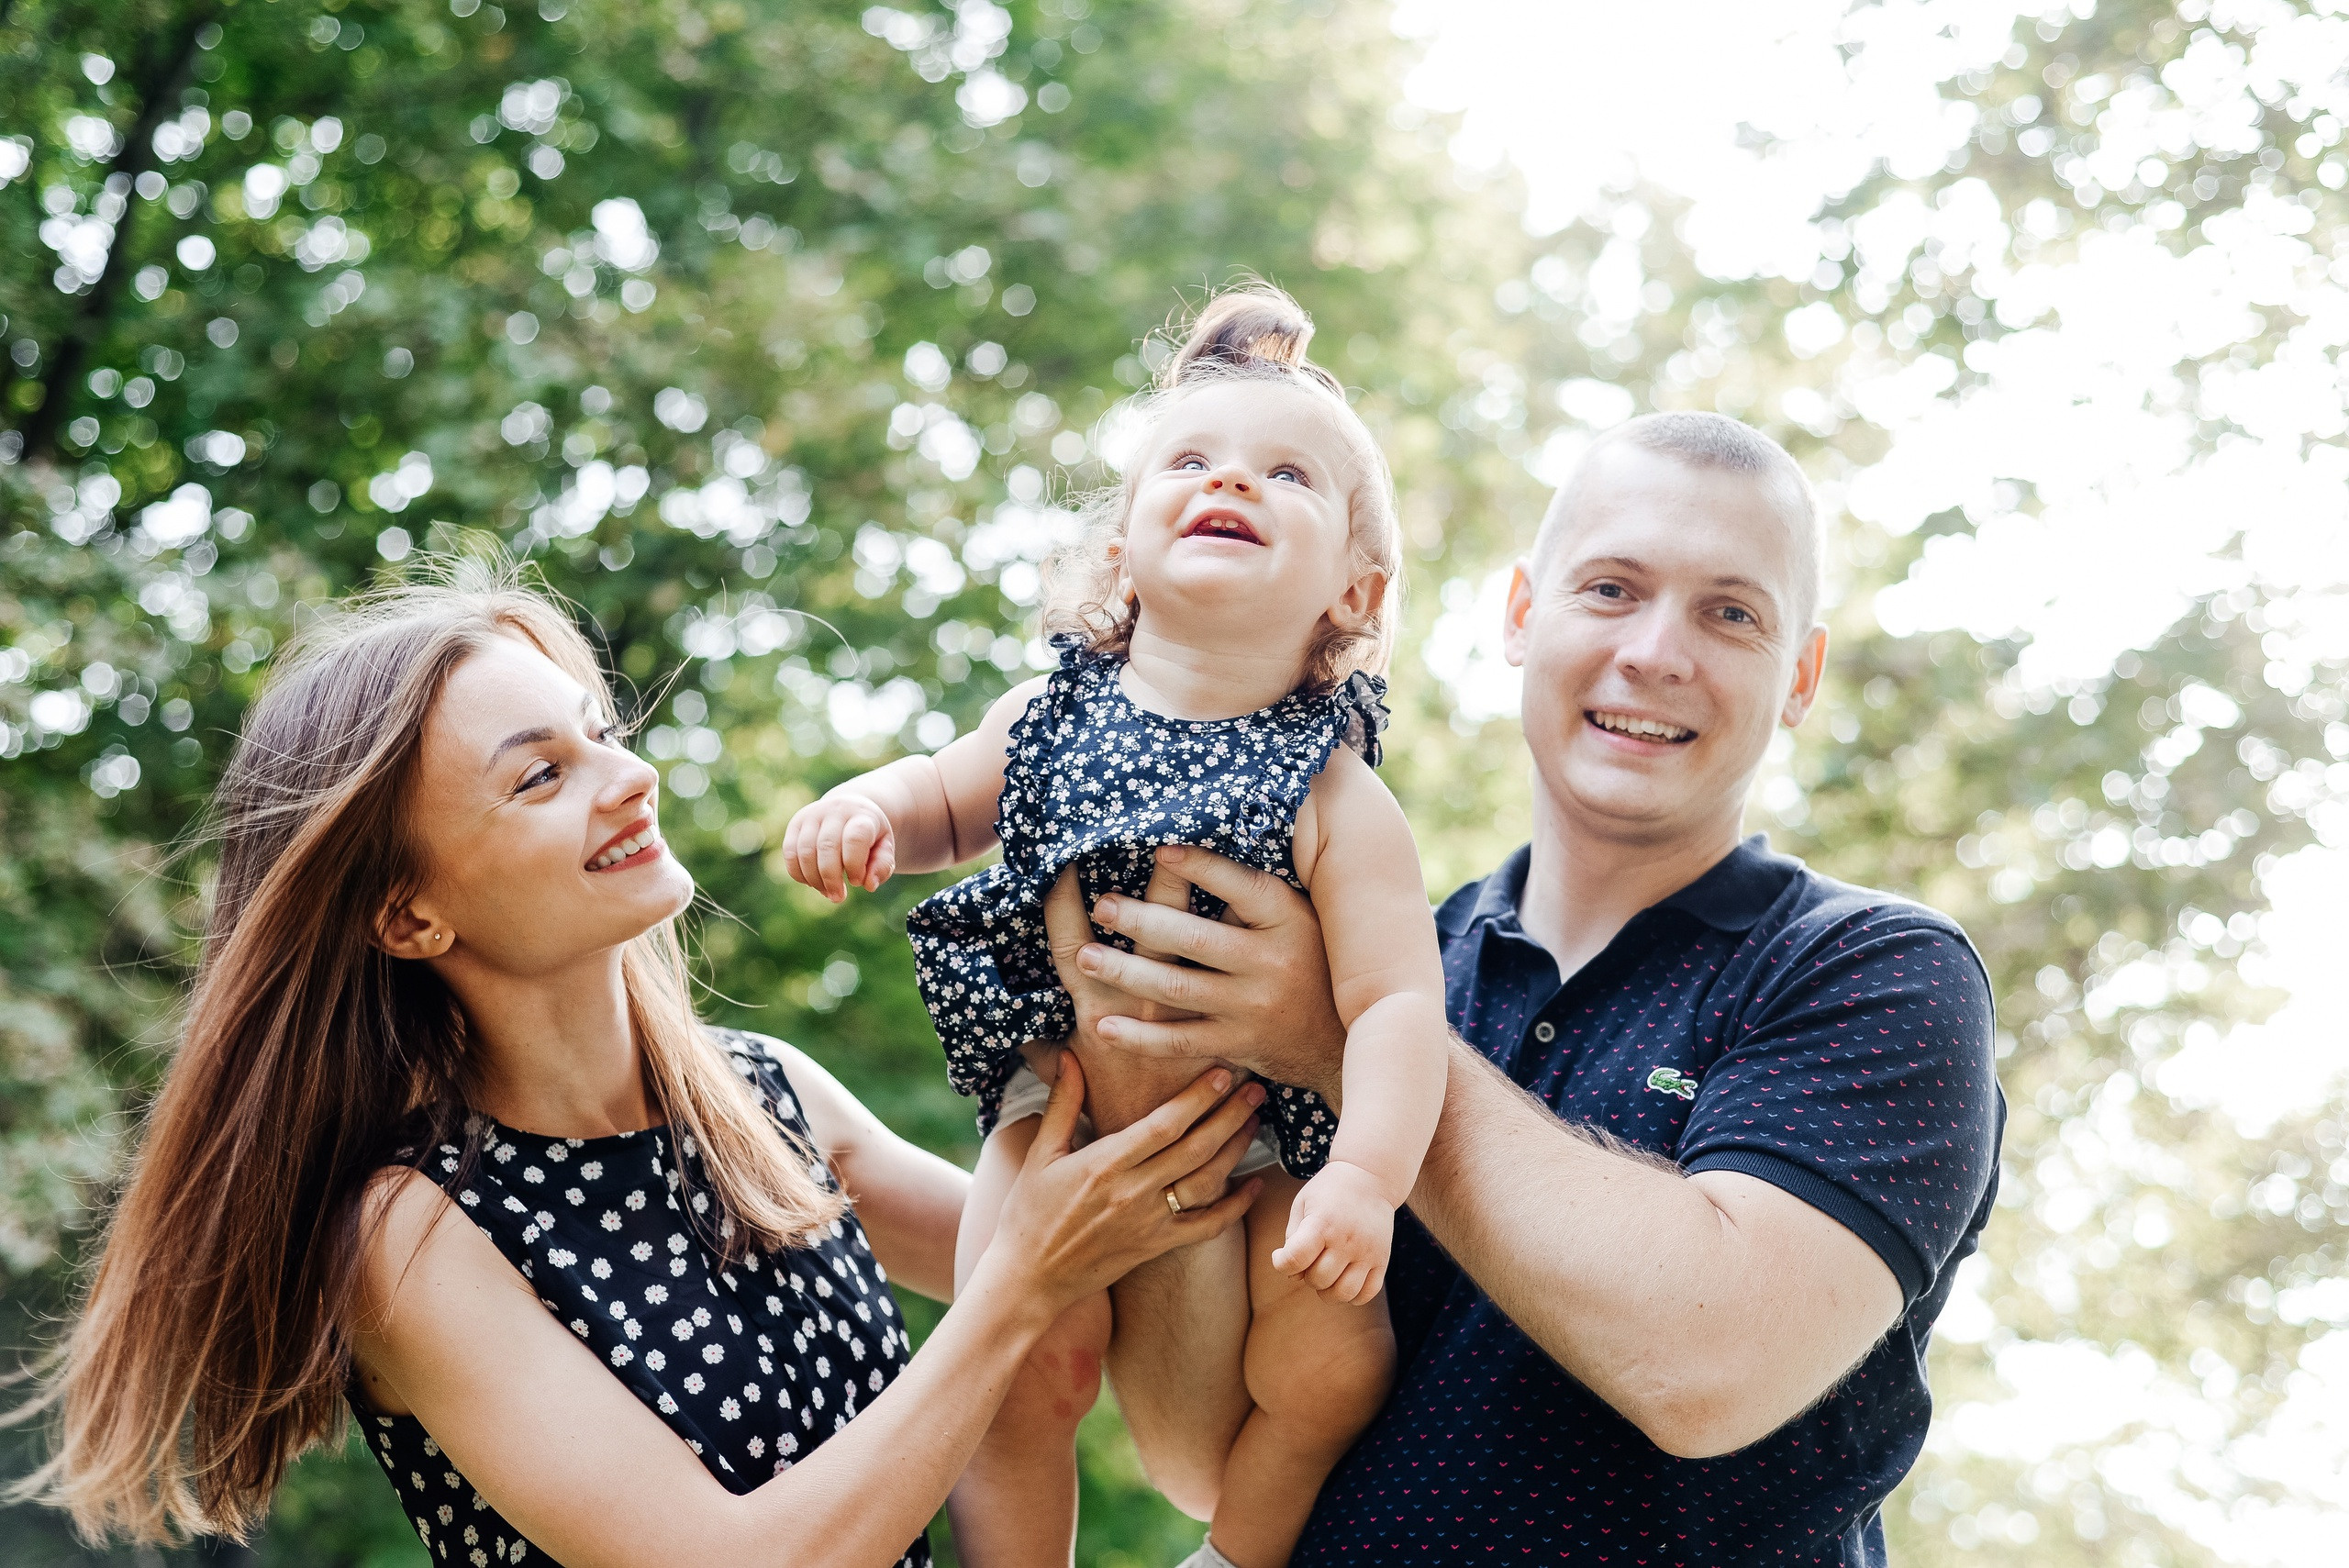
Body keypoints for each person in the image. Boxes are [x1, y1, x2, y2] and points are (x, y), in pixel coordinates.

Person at [6, 571, 1262, 1567]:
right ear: (407, 916)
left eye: (601, 734)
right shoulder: (408, 1232)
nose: (632, 775)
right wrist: (1023, 1287)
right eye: (542, 774)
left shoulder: (765, 1095)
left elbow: (1101, 1258)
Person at [1046, 412, 2006, 1564]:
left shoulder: (1870, 970)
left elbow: (1706, 1366)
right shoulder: (1342, 942)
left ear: (1798, 676)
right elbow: (1203, 1447)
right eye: (1609, 588)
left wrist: (1340, 1039)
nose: (1656, 651)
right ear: (1519, 615)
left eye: (1731, 612)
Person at [781, 285, 1449, 1568]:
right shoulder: (1045, 715)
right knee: (1015, 1364)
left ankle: (1231, 1557)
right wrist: (865, 810)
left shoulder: (1334, 788)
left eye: (1286, 475)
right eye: (1191, 462)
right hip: (1059, 1107)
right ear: (1119, 551)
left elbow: (1396, 1006)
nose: (1232, 483)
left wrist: (1364, 1179)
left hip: (1261, 1149)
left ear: (1353, 591)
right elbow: (937, 799)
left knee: (1332, 1366)